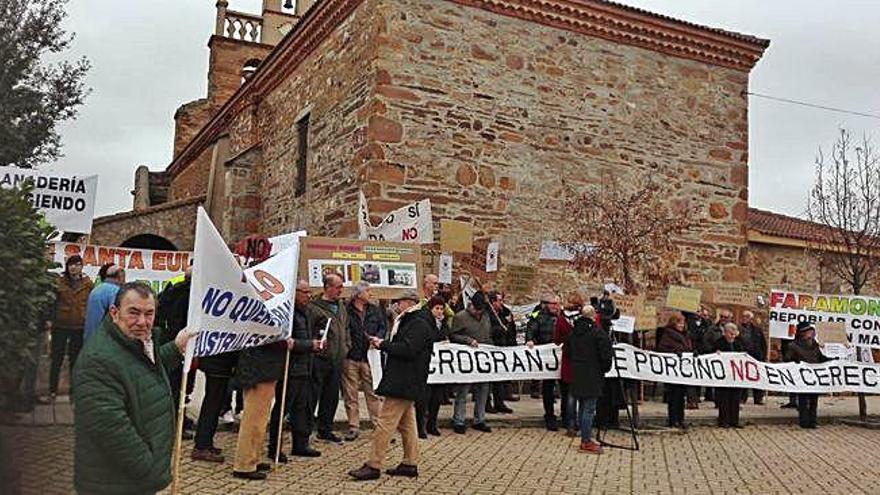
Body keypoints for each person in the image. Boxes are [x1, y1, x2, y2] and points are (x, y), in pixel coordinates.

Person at [72, 282, 193, 494]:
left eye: (149, 314)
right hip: (116, 483)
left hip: (130, 480)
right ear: (114, 312)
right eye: (134, 313)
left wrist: (175, 348)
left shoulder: (130, 344)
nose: (142, 322)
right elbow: (111, 428)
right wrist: (149, 468)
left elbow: (140, 371)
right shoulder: (99, 359)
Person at [348, 290, 434, 481]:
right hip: (406, 380)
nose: (398, 305)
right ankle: (410, 463)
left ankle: (374, 464)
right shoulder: (412, 320)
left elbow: (409, 349)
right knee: (407, 424)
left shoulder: (418, 322)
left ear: (410, 302)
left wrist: (383, 345)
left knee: (385, 422)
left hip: (404, 380)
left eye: (400, 301)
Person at [269, 280, 323, 460]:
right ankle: (274, 447)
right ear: (295, 292)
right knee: (283, 408)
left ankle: (300, 444)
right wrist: (309, 344)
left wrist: (316, 342)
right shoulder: (287, 313)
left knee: (302, 409)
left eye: (309, 292)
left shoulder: (306, 313)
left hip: (305, 367)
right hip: (290, 369)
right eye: (305, 292)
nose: (309, 296)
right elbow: (285, 342)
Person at [231, 327, 289, 479]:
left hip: (264, 369)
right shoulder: (258, 314)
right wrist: (284, 341)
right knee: (253, 420)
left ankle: (253, 458)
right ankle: (244, 465)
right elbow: (264, 339)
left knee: (260, 420)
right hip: (258, 370)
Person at [309, 273, 352, 443]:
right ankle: (304, 431)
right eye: (338, 287)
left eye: (342, 286)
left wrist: (346, 346)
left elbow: (346, 328)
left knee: (331, 396)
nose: (341, 290)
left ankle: (325, 429)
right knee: (312, 396)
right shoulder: (314, 307)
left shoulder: (341, 306)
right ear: (327, 287)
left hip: (337, 359)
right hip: (319, 359)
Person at [566, 305, 613, 454]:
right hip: (592, 374)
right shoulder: (597, 333)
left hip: (577, 373)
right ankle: (586, 441)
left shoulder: (573, 333)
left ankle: (584, 436)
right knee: (589, 409)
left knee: (582, 406)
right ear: (593, 317)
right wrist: (604, 368)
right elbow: (606, 355)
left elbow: (567, 352)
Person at [342, 281, 386, 441]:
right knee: (350, 394)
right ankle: (354, 427)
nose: (371, 294)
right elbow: (344, 330)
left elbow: (383, 327)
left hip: (370, 357)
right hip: (351, 357)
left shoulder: (374, 310)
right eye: (368, 291)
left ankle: (378, 426)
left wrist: (378, 339)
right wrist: (347, 348)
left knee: (373, 392)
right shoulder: (346, 310)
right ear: (358, 294)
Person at [155, 266, 196, 440]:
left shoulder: (172, 290)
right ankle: (173, 424)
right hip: (179, 344)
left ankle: (180, 419)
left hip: (170, 341)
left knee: (177, 385)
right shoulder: (187, 296)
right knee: (178, 386)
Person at [49, 255, 94, 400]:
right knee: (57, 358)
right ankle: (52, 390)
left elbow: (90, 303)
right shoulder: (59, 282)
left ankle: (74, 392)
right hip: (60, 325)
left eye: (76, 265)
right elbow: (52, 302)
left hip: (78, 326)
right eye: (70, 265)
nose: (73, 267)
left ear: (81, 267)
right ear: (67, 267)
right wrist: (50, 320)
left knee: (75, 360)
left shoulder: (88, 284)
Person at [449, 291, 493, 434]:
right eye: (476, 309)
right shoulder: (460, 317)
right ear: (471, 306)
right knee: (463, 390)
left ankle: (479, 419)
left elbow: (488, 334)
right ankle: (458, 420)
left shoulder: (486, 316)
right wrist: (467, 341)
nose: (477, 312)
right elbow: (452, 335)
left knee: (483, 390)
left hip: (483, 359)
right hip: (467, 360)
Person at [526, 294, 562, 430]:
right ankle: (549, 415)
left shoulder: (562, 316)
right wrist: (530, 340)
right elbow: (531, 330)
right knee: (548, 387)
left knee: (564, 387)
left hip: (561, 356)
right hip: (546, 357)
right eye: (553, 304)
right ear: (546, 304)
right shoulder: (537, 315)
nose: (555, 306)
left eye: (557, 304)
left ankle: (565, 415)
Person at [784, 322, 830, 428]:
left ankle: (813, 421)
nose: (811, 332)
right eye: (809, 331)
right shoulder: (793, 346)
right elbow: (788, 360)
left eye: (811, 331)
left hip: (815, 376)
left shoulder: (816, 345)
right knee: (803, 399)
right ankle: (804, 421)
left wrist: (830, 354)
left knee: (814, 400)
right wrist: (798, 365)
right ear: (802, 333)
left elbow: (822, 358)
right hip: (802, 376)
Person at [418, 296, 450, 437]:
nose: (439, 311)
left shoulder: (443, 323)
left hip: (438, 368)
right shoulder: (424, 321)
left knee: (436, 398)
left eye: (441, 309)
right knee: (424, 398)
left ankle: (432, 424)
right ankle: (420, 426)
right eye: (437, 308)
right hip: (426, 365)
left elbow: (447, 335)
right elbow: (428, 337)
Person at [656, 312, 692, 428]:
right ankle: (673, 419)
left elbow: (688, 348)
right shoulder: (668, 335)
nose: (681, 325)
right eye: (679, 323)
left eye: (682, 323)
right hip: (672, 371)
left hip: (683, 371)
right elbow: (662, 349)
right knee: (673, 396)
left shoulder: (686, 335)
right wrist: (674, 353)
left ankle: (680, 419)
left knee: (681, 396)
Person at [554, 293, 583, 435]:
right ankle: (580, 422)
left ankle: (569, 422)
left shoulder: (561, 319)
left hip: (568, 359)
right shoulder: (584, 319)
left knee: (569, 394)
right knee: (580, 395)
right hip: (582, 359)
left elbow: (557, 339)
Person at [487, 291, 515, 415]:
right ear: (493, 302)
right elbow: (489, 330)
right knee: (488, 380)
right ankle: (487, 403)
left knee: (500, 378)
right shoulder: (487, 314)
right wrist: (503, 325)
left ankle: (500, 402)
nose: (502, 303)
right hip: (490, 348)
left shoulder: (504, 313)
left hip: (502, 348)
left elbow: (509, 332)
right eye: (499, 300)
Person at [83, 264, 125, 343]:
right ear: (120, 276)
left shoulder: (96, 290)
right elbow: (116, 319)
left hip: (90, 338)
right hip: (105, 339)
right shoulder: (115, 291)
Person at [714, 323, 745, 428]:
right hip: (724, 375)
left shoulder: (738, 343)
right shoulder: (719, 343)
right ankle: (723, 421)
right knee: (724, 398)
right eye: (730, 333)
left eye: (734, 334)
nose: (732, 336)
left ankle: (734, 420)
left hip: (736, 376)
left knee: (735, 398)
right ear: (725, 333)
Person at [684, 305, 712, 409]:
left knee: (700, 374)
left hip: (702, 351)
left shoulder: (706, 323)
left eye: (699, 311)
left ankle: (697, 396)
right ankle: (691, 399)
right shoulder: (689, 322)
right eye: (696, 311)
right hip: (692, 351)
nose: (698, 313)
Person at [738, 311, 766, 405]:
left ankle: (758, 398)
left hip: (756, 357)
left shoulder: (757, 330)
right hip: (744, 356)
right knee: (743, 377)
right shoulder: (738, 329)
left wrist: (763, 356)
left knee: (757, 377)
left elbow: (763, 344)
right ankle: (742, 397)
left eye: (747, 317)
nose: (744, 318)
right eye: (743, 316)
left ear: (751, 318)